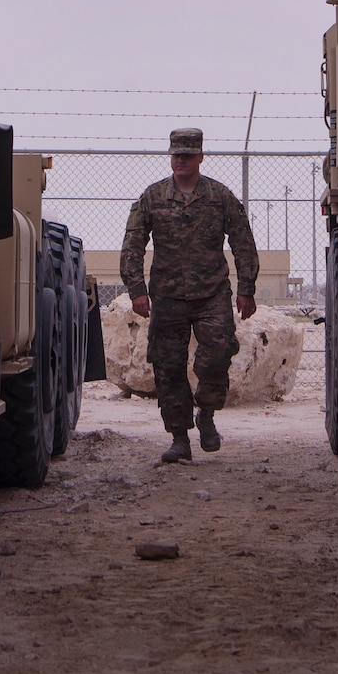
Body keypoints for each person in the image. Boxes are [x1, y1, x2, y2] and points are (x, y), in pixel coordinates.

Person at [120, 128, 260, 464]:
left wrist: (247, 289)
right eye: (176, 154)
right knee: (168, 368)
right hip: (167, 297)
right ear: (170, 157)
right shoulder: (152, 198)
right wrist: (137, 290)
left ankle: (207, 413)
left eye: (187, 154)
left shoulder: (219, 196)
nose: (180, 160)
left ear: (200, 157)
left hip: (211, 293)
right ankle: (179, 439)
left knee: (216, 356)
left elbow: (242, 240)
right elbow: (133, 245)